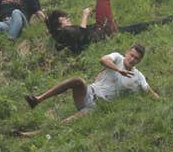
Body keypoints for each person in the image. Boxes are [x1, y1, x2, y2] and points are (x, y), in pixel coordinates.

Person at [23, 44, 158, 128]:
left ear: (139, 61)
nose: (132, 59)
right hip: (88, 93)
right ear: (127, 52)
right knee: (78, 80)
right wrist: (118, 70)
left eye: (136, 58)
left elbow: (148, 91)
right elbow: (103, 60)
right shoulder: (117, 58)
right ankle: (37, 99)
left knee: (70, 121)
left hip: (97, 106)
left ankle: (42, 131)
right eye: (131, 55)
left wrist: (161, 101)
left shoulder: (138, 76)